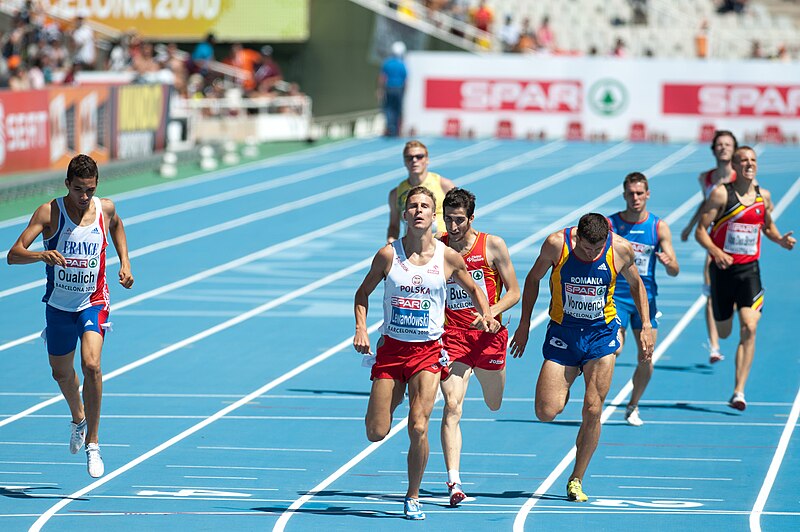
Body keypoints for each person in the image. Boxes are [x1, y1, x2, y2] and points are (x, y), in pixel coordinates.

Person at [354, 186, 499, 520]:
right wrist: (361, 328)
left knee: (419, 426)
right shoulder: (388, 255)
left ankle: (413, 495)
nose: (418, 210)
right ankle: (393, 395)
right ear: (405, 215)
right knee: (376, 431)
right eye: (412, 206)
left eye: (424, 206)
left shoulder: (447, 258)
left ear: (432, 216)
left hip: (428, 353)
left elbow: (475, 288)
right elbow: (362, 293)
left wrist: (486, 314)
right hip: (391, 351)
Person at [510, 213, 654, 502]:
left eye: (597, 248)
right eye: (587, 248)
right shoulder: (556, 245)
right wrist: (524, 324)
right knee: (546, 411)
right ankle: (571, 374)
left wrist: (646, 325)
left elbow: (637, 284)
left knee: (592, 409)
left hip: (601, 335)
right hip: (564, 334)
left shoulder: (620, 249)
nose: (592, 254)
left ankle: (576, 478)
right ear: (578, 237)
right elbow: (533, 278)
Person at [7, 154, 134, 478]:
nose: (84, 197)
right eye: (79, 189)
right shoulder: (50, 212)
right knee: (61, 374)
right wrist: (40, 255)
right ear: (67, 185)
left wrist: (125, 263)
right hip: (59, 307)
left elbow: (117, 227)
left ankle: (93, 442)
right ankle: (78, 418)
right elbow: (13, 255)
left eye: (90, 189)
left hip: (93, 301)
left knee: (91, 364)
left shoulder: (104, 209)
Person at [695, 146, 795, 410]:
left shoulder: (763, 197)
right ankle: (723, 326)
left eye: (753, 160)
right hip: (723, 272)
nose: (749, 164)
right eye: (744, 161)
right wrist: (716, 252)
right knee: (725, 331)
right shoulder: (721, 194)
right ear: (736, 167)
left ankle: (739, 391)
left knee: (750, 326)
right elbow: (700, 231)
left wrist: (780, 239)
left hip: (750, 271)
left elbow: (767, 225)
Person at [438, 188, 520, 506]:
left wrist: (490, 313)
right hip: (452, 337)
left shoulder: (492, 245)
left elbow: (514, 291)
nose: (453, 226)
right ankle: (454, 482)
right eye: (448, 219)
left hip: (489, 336)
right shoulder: (438, 247)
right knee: (452, 407)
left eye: (459, 220)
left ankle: (492, 375)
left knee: (493, 403)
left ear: (472, 218)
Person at [608, 173, 680, 426]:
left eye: (640, 193)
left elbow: (675, 270)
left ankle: (632, 405)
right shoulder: (611, 224)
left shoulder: (658, 227)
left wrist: (670, 263)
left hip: (646, 299)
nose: (635, 198)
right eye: (631, 193)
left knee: (646, 356)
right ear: (624, 194)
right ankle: (594, 397)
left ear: (647, 194)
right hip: (616, 297)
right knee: (613, 349)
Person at [681, 130, 738, 364]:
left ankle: (729, 313)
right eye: (720, 144)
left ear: (734, 149)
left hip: (735, 241)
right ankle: (714, 346)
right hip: (713, 239)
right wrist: (690, 226)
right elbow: (705, 204)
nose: (724, 148)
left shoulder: (741, 177)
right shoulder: (705, 177)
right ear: (713, 149)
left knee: (732, 294)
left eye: (728, 144)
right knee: (709, 293)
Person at [387, 140, 455, 243]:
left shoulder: (444, 185)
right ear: (405, 161)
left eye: (419, 156)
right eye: (409, 157)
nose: (414, 160)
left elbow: (459, 217)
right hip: (413, 248)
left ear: (427, 159)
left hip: (443, 245)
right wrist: (391, 240)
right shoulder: (396, 193)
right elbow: (394, 226)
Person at [377, 41, 407, 137]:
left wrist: (380, 89)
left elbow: (382, 77)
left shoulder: (387, 63)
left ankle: (390, 128)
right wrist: (405, 91)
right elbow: (406, 80)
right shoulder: (402, 64)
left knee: (388, 109)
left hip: (388, 88)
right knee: (397, 109)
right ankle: (396, 130)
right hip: (399, 89)